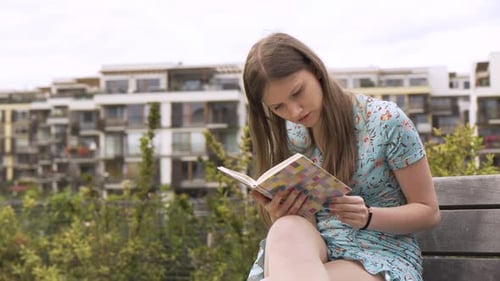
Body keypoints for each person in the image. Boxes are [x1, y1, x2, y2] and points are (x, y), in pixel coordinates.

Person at [242, 32, 441, 281]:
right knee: (285, 229)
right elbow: (305, 233)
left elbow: (429, 211)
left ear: (315, 70)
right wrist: (286, 211)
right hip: (317, 252)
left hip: (380, 257)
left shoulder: (385, 121)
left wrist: (368, 217)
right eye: (278, 107)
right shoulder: (294, 136)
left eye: (297, 92)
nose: (294, 111)